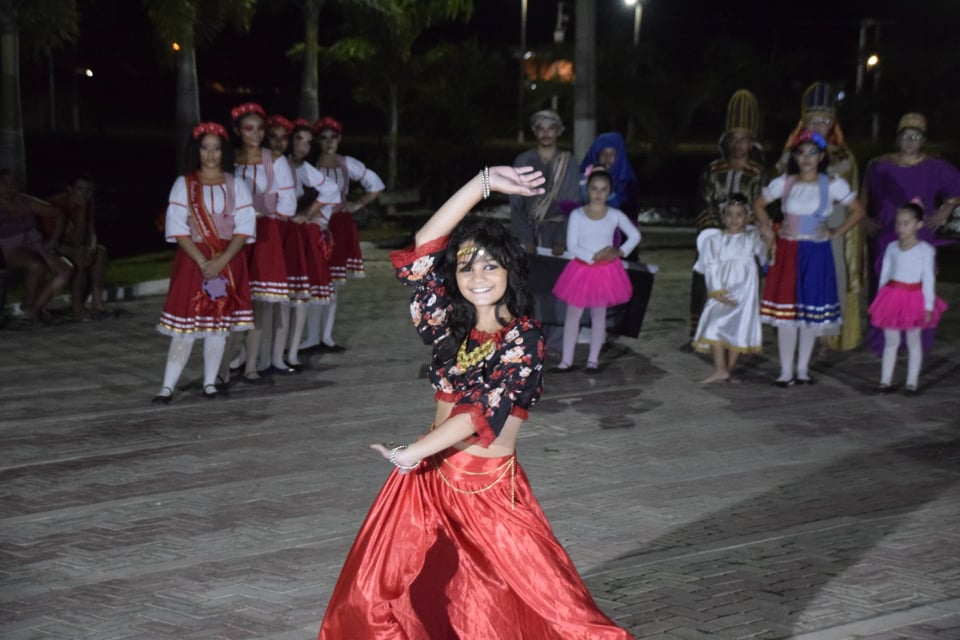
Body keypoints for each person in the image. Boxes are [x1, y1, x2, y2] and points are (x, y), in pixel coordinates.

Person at [316, 166, 633, 640]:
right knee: (376, 597)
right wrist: (481, 184)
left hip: (489, 493)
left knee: (558, 612)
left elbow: (479, 413)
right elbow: (421, 252)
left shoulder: (524, 339)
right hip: (429, 480)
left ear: (509, 271)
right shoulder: (451, 327)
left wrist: (410, 453)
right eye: (466, 266)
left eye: (489, 265)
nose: (477, 276)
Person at [153, 122, 255, 403]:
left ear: (224, 152)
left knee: (217, 325)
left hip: (227, 261)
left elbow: (244, 228)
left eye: (216, 149)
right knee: (185, 327)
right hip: (193, 261)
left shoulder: (236, 185)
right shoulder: (184, 184)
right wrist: (202, 261)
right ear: (196, 151)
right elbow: (177, 228)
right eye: (205, 148)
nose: (210, 154)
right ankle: (167, 386)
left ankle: (210, 383)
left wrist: (222, 260)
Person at [754, 130, 865, 387]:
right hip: (788, 250)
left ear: (822, 157)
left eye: (812, 153)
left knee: (809, 312)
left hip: (816, 251)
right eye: (801, 153)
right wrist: (769, 229)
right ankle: (786, 370)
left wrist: (835, 232)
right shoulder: (785, 182)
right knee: (787, 314)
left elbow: (858, 210)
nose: (806, 158)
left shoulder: (832, 183)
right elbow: (758, 204)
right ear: (794, 156)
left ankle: (803, 369)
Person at [776, 82, 863, 351]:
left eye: (825, 121)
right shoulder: (792, 155)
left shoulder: (843, 156)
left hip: (831, 219)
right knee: (798, 275)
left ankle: (825, 334)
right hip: (798, 222)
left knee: (830, 275)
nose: (820, 126)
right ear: (805, 122)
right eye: (814, 120)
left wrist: (838, 230)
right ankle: (799, 328)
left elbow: (853, 199)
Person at [688, 89, 766, 346]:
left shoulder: (757, 173)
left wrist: (743, 229)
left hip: (744, 237)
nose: (738, 145)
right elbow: (703, 203)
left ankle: (737, 334)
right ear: (726, 141)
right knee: (704, 277)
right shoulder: (712, 170)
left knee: (742, 283)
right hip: (714, 235)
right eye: (734, 139)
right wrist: (715, 233)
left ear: (751, 143)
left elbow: (761, 206)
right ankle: (699, 332)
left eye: (744, 139)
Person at [302, 115, 385, 353]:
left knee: (334, 282)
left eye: (333, 137)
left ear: (339, 139)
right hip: (316, 224)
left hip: (339, 224)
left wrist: (357, 203)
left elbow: (376, 185)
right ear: (318, 141)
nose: (329, 142)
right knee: (315, 279)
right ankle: (311, 337)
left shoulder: (347, 163)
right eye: (324, 138)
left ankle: (326, 336)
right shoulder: (310, 165)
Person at [231, 102, 297, 382]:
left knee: (261, 301)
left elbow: (289, 204)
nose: (255, 134)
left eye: (260, 129)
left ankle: (254, 364)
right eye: (249, 128)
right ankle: (234, 358)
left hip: (265, 234)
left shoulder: (275, 160)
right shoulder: (230, 160)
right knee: (236, 298)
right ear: (238, 131)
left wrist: (265, 210)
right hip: (235, 234)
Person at [551, 167, 641, 372]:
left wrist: (619, 251)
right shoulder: (577, 215)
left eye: (603, 189)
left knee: (598, 316)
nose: (598, 194)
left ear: (610, 191)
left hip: (606, 271)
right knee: (573, 315)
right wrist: (593, 257)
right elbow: (572, 245)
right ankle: (566, 360)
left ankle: (593, 360)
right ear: (587, 190)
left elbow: (635, 235)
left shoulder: (615, 215)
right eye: (594, 189)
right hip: (582, 268)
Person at [863, 112, 960, 296]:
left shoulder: (934, 166)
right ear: (897, 139)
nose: (910, 141)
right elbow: (865, 193)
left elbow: (956, 187)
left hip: (919, 234)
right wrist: (865, 219)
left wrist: (945, 211)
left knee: (915, 282)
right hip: (887, 230)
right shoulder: (880, 165)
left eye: (915, 137)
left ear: (923, 140)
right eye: (905, 136)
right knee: (884, 279)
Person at [867, 201, 948, 395]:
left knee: (913, 340)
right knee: (891, 341)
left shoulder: (925, 250)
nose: (901, 228)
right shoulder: (891, 247)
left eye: (906, 223)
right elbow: (885, 275)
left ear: (918, 225)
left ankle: (912, 382)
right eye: (898, 223)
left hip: (914, 299)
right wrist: (880, 301)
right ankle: (885, 381)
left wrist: (928, 306)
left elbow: (928, 279)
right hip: (891, 297)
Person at [692, 194, 768, 383]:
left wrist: (766, 234)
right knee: (714, 323)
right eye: (730, 214)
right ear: (723, 217)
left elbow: (765, 254)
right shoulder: (715, 240)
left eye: (739, 215)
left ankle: (728, 370)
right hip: (723, 289)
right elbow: (711, 265)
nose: (734, 219)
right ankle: (720, 368)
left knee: (739, 326)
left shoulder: (751, 238)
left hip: (746, 288)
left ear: (747, 217)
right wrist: (717, 290)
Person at [284, 118, 341, 369]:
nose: (303, 146)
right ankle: (255, 356)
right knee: (270, 297)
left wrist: (307, 214)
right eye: (299, 139)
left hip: (297, 235)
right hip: (274, 233)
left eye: (308, 142)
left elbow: (331, 191)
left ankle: (292, 351)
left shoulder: (305, 169)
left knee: (299, 293)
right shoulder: (277, 164)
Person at [0, 168, 73, 324]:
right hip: (9, 247)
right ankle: (28, 307)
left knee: (66, 269)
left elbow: (59, 213)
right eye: (4, 184)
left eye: (12, 183)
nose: (9, 188)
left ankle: (34, 309)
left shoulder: (25, 201)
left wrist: (54, 240)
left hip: (35, 243)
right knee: (37, 265)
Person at [509, 109, 581, 255]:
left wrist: (562, 240)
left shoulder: (569, 163)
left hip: (560, 235)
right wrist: (525, 238)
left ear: (558, 131)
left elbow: (572, 204)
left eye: (551, 129)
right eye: (541, 128)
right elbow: (516, 204)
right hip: (529, 234)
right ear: (534, 131)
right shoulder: (523, 161)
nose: (545, 133)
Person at [47, 172, 110, 320]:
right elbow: (75, 240)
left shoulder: (88, 203)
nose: (84, 194)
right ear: (70, 189)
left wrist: (92, 247)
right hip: (52, 244)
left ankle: (97, 302)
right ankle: (77, 307)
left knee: (100, 251)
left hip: (74, 244)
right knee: (80, 255)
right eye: (80, 189)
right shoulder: (57, 204)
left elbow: (91, 232)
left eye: (88, 190)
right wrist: (82, 212)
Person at [578, 131, 638, 221]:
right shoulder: (584, 179)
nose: (607, 158)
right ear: (597, 157)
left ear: (619, 156)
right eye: (603, 154)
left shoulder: (628, 184)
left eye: (612, 154)